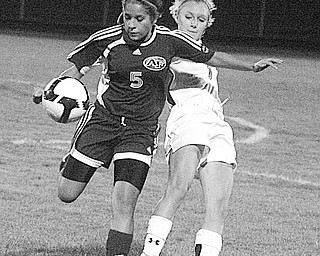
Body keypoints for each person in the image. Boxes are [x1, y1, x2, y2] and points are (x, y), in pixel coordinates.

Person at [33, 0, 281, 255]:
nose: (131, 24)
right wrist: (51, 91)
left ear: (154, 18)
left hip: (140, 131)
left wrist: (251, 67)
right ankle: (72, 159)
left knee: (124, 202)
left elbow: (212, 56)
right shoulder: (107, 39)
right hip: (102, 123)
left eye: (138, 19)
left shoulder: (170, 42)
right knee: (67, 194)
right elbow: (75, 70)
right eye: (127, 17)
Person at [139, 1, 283, 256]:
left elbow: (213, 57)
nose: (194, 23)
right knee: (178, 188)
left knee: (218, 205)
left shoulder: (204, 54)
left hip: (217, 122)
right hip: (186, 117)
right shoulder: (165, 44)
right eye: (188, 16)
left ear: (208, 23)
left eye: (201, 19)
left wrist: (252, 67)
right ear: (176, 16)